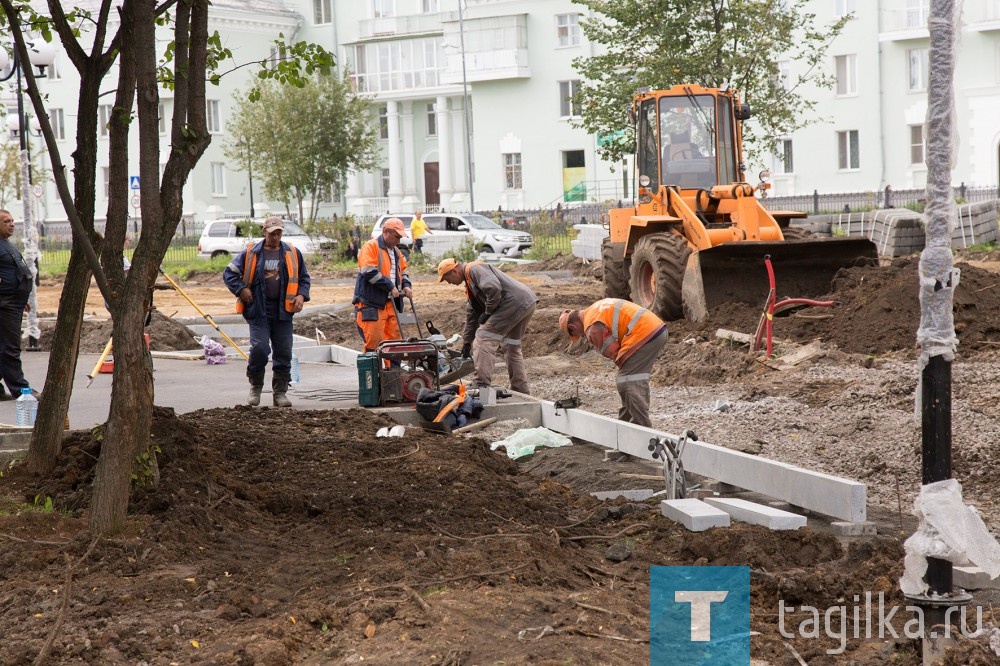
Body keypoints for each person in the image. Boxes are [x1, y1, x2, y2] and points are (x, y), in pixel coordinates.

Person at [224, 216, 310, 407]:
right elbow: (229, 273)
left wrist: (301, 296)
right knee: (260, 349)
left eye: (279, 233)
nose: (276, 237)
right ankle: (255, 387)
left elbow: (304, 278)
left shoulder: (292, 253)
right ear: (264, 232)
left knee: (284, 351)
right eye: (272, 234)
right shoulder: (251, 253)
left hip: (283, 311)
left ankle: (280, 393)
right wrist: (241, 289)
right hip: (258, 310)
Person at [559, 298, 667, 427]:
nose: (581, 336)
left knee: (626, 380)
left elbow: (613, 351)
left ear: (573, 326)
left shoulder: (592, 327)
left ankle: (642, 426)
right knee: (631, 378)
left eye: (577, 334)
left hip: (643, 333)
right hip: (656, 328)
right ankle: (625, 423)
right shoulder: (594, 309)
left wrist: (623, 366)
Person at [437, 257, 538, 394]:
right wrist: (467, 343)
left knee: (483, 337)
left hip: (513, 303)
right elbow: (471, 316)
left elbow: (493, 287)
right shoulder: (470, 283)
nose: (448, 282)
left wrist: (488, 311)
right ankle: (520, 388)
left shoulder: (473, 269)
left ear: (454, 271)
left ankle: (481, 383)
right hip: (526, 302)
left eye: (447, 279)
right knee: (511, 346)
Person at [353, 217, 412, 352]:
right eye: (396, 236)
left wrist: (406, 286)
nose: (398, 241)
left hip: (391, 303)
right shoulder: (371, 246)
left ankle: (394, 372)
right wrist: (390, 287)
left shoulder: (396, 251)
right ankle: (373, 372)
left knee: (395, 344)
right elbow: (368, 271)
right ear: (385, 231)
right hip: (371, 303)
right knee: (374, 343)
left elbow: (402, 272)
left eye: (400, 237)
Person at [0, 210, 36, 401]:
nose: (12, 224)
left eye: (12, 221)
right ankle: (21, 390)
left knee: (4, 348)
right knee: (10, 348)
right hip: (4, 305)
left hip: (14, 302)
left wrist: (23, 298)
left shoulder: (6, 244)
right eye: (6, 221)